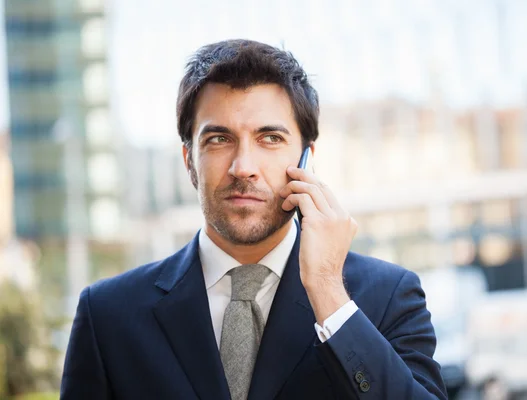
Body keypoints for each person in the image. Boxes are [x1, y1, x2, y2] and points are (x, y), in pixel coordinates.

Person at [60, 39, 447, 400]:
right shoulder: (108, 315)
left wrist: (328, 292)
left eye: (270, 139)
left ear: (306, 159)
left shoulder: (388, 296)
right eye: (219, 139)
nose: (243, 167)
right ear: (188, 161)